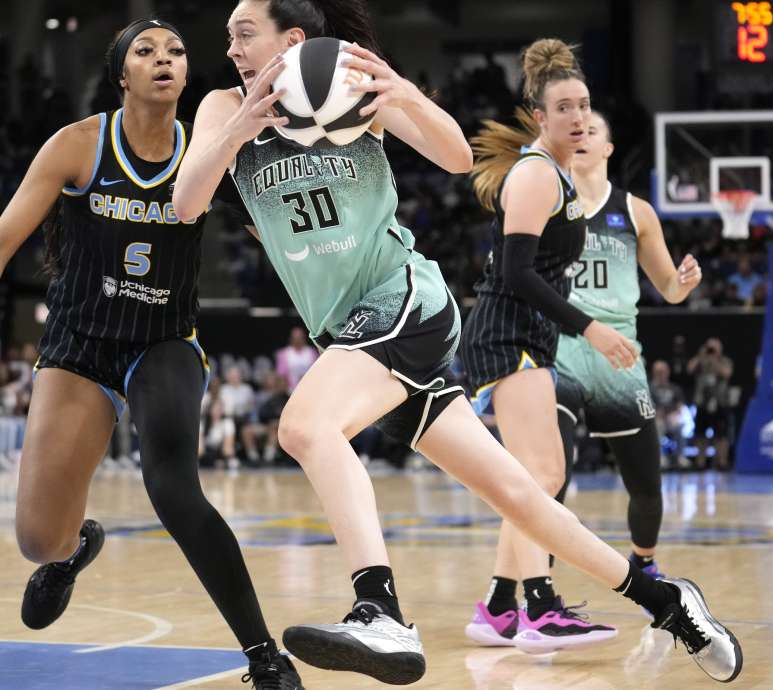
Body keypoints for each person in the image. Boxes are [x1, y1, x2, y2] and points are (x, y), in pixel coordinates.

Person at [173, 3, 741, 684]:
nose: (231, 47)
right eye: (229, 35)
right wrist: (246, 121)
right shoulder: (220, 107)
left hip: (401, 299)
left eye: (245, 33)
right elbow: (185, 203)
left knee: (304, 426)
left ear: (293, 40)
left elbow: (454, 155)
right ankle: (670, 603)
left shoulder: (351, 87)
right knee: (518, 493)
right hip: (346, 331)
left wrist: (400, 88)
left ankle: (377, 607)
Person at [0, 19, 302, 688]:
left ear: (188, 77)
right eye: (146, 51)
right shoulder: (78, 145)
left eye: (175, 52)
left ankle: (263, 656)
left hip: (162, 342)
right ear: (121, 75)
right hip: (79, 346)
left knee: (171, 486)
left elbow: (283, 236)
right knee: (36, 542)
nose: (164, 59)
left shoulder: (208, 150)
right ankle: (74, 550)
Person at [463, 103, 704, 654]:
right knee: (542, 477)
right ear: (551, 126)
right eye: (574, 119)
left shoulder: (633, 210)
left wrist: (682, 283)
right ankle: (536, 603)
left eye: (593, 123)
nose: (583, 128)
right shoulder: (544, 186)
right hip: (563, 346)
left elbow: (667, 288)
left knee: (638, 482)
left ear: (607, 147)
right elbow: (515, 270)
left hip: (614, 354)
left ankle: (504, 604)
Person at [688, 338, 734, 470]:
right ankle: (700, 463)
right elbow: (689, 369)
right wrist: (700, 356)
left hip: (720, 402)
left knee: (722, 434)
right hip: (702, 402)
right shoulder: (701, 361)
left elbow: (726, 373)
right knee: (700, 434)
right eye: (710, 348)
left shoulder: (725, 361)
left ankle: (722, 462)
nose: (711, 351)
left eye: (714, 348)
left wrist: (715, 360)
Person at [275, 326, 317, 391]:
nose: (298, 340)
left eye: (300, 338)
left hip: (310, 388)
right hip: (290, 390)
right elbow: (281, 376)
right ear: (291, 339)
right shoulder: (284, 353)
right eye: (295, 338)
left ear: (304, 338)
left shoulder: (311, 352)